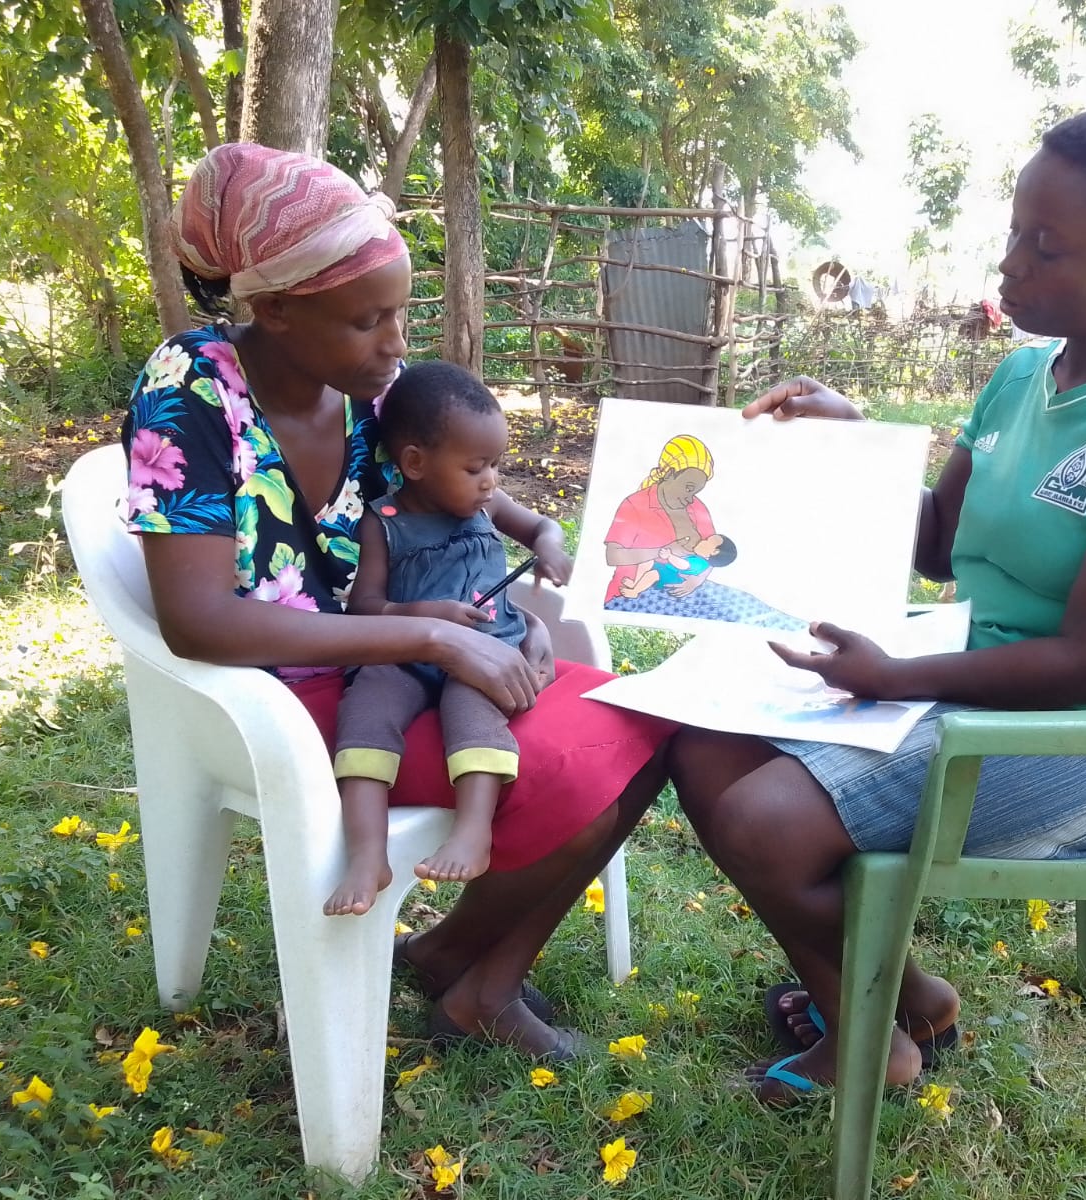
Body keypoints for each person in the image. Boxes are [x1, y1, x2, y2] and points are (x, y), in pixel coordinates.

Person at [667, 103, 1086, 1100]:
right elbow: (942, 546)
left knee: (768, 823)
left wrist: (893, 678)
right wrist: (852, 443)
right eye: (1012, 234)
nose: (1011, 267)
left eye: (1046, 247)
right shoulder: (1021, 376)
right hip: (987, 689)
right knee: (701, 743)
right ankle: (901, 999)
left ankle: (869, 1040)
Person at [122, 143, 672, 1059]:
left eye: (399, 314)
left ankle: (466, 971)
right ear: (276, 310)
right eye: (367, 320)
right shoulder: (188, 393)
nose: (395, 344)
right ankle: (468, 977)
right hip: (284, 695)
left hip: (403, 664)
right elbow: (197, 619)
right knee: (584, 760)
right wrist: (433, 638)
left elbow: (464, 500)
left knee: (643, 726)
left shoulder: (370, 399)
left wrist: (511, 597)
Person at [326, 362, 571, 913]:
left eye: (495, 466)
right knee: (364, 711)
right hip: (405, 653)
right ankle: (367, 853)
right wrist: (422, 614)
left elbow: (542, 527)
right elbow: (365, 607)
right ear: (415, 462)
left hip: (486, 655)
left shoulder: (489, 505)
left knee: (473, 711)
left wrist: (551, 545)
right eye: (475, 466)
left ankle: (473, 831)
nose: (490, 480)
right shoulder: (383, 521)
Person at [603, 434, 719, 603]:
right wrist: (662, 552)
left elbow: (715, 553)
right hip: (634, 592)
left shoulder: (696, 507)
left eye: (695, 491)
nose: (690, 497)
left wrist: (695, 581)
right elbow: (613, 556)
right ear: (670, 474)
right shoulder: (635, 505)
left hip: (687, 589)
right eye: (688, 488)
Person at [618, 533, 737, 598]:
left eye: (707, 541)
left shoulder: (701, 563)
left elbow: (684, 566)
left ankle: (635, 591)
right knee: (646, 562)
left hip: (674, 575)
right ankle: (635, 583)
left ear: (714, 552)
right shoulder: (697, 557)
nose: (702, 540)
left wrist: (670, 556)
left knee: (652, 574)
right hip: (668, 568)